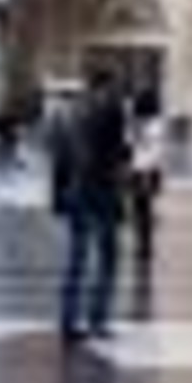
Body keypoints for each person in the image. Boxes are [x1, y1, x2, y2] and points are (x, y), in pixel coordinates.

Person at [51, 70, 129, 342]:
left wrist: (58, 198)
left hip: (76, 193)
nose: (116, 92)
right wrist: (120, 197)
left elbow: (60, 159)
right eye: (114, 87)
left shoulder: (69, 114)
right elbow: (116, 159)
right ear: (106, 87)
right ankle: (98, 318)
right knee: (108, 258)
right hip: (101, 193)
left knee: (76, 259)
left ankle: (68, 320)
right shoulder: (112, 111)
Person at [127, 91, 165, 267]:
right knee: (141, 208)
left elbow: (152, 149)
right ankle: (143, 244)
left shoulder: (151, 125)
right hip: (144, 170)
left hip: (143, 170)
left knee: (143, 209)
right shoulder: (145, 124)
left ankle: (144, 246)